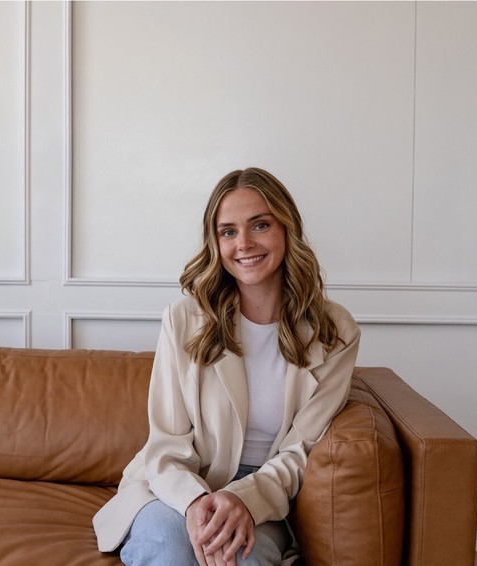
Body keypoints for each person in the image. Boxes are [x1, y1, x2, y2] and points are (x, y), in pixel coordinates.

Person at [93, 167, 361, 566]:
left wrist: (243, 499)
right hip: (175, 486)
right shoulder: (183, 320)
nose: (244, 243)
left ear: (287, 229)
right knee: (168, 549)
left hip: (266, 493)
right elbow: (166, 444)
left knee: (240, 558)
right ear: (215, 242)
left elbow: (301, 449)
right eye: (228, 231)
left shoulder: (334, 331)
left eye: (260, 225)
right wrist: (195, 502)